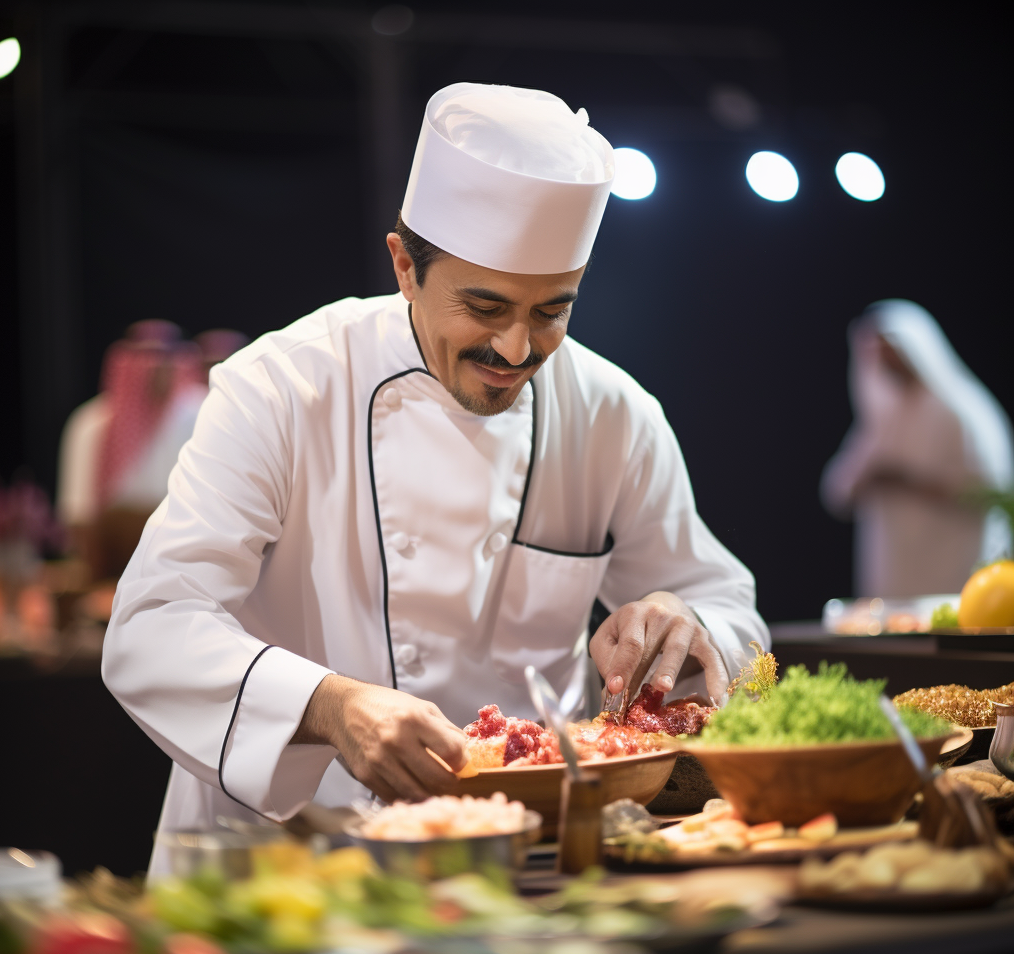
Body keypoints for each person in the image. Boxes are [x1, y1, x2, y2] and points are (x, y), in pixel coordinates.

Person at [102, 83, 768, 875]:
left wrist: (685, 621)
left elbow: (729, 609)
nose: (518, 349)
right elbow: (152, 626)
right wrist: (331, 707)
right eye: (484, 306)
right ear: (404, 267)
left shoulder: (612, 412)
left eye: (553, 310)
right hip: (284, 860)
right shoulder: (281, 386)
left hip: (522, 861)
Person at [821, 300, 1014, 598]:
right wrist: (869, 478)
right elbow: (837, 491)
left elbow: (992, 492)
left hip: (954, 567)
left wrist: (907, 481)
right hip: (895, 572)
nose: (885, 361)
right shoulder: (884, 417)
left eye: (891, 350)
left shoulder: (961, 412)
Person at [56, 322, 208, 580]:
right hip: (113, 569)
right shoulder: (92, 423)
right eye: (146, 357)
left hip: (189, 566)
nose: (158, 366)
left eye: (166, 357)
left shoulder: (203, 415)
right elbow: (77, 515)